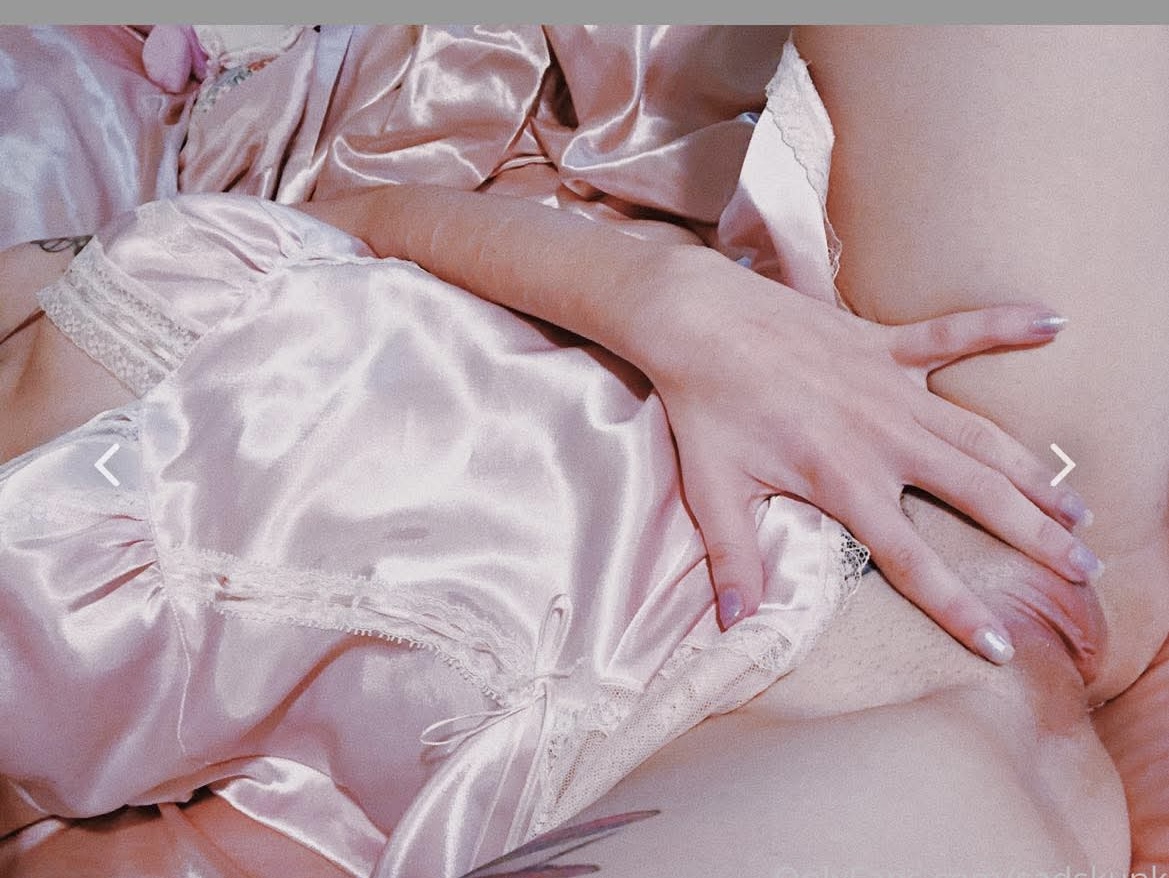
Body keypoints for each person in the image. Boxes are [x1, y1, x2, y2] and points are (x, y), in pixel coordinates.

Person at [1, 24, 1158, 877]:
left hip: (913, 419)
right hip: (726, 722)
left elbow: (356, 228)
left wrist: (665, 304)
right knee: (975, 782)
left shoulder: (34, 293)